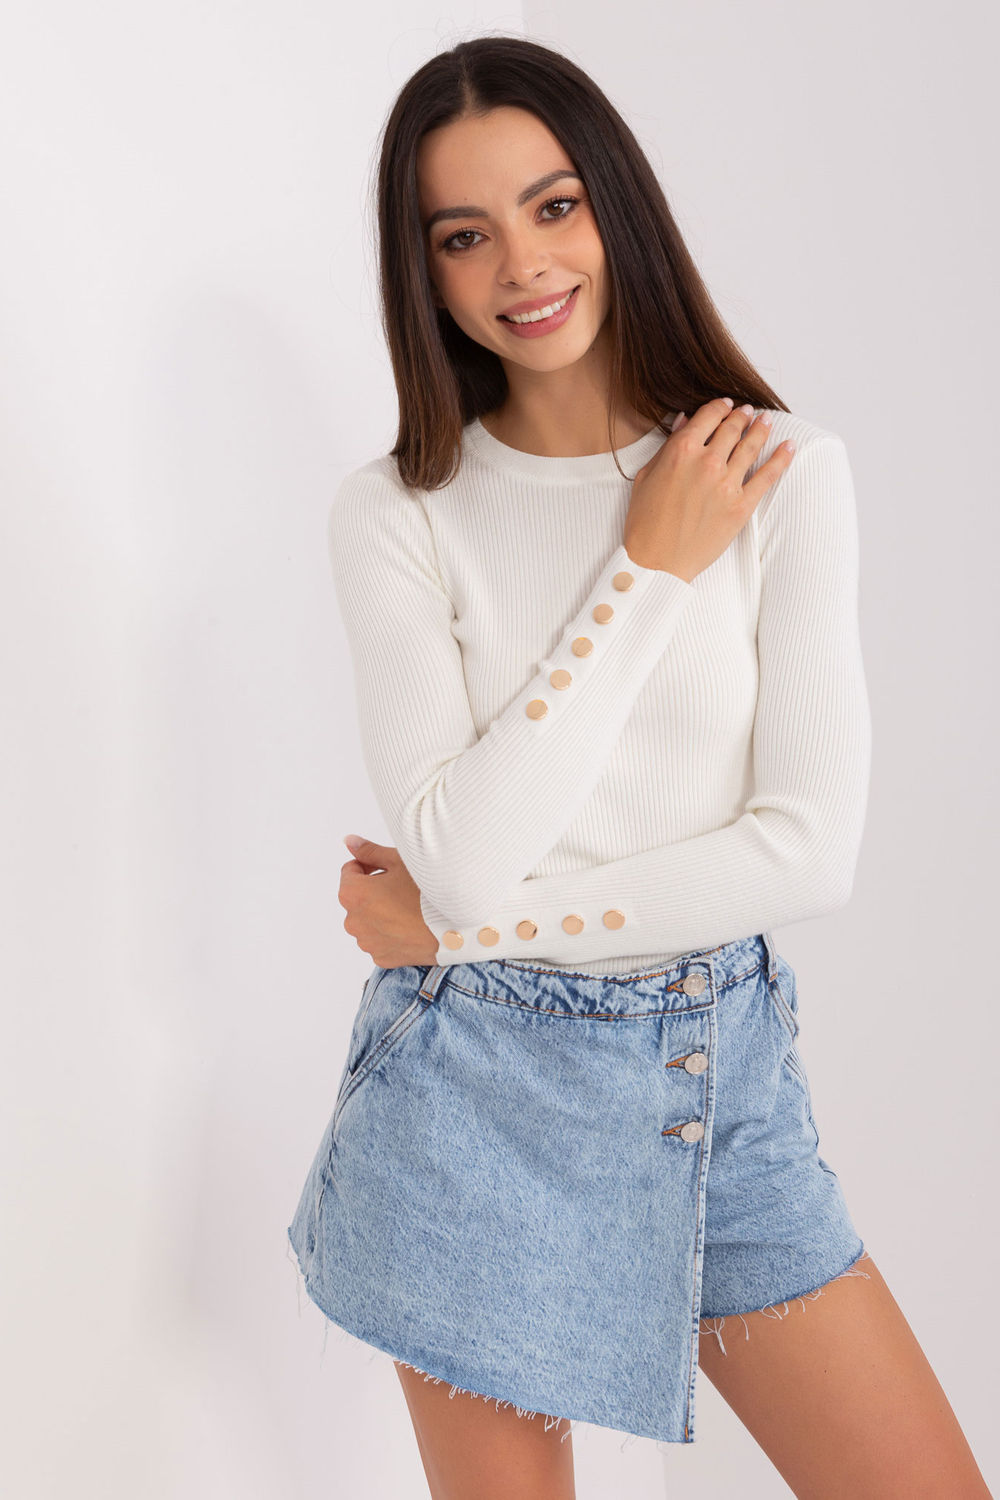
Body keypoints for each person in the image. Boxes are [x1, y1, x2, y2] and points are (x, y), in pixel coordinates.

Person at [287, 35, 992, 1500]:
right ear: (424, 273)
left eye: (554, 207)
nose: (521, 266)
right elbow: (463, 857)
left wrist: (462, 929)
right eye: (463, 235)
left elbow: (808, 852)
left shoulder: (783, 474)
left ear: (616, 206)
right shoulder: (398, 514)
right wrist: (651, 572)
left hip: (711, 1078)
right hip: (468, 1090)